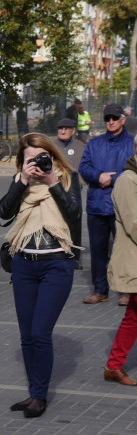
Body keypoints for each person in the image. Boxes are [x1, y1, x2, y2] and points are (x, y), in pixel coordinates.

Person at [0, 134, 81, 418]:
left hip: (56, 265)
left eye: (40, 158)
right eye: (30, 159)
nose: (36, 164)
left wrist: (52, 182)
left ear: (52, 156)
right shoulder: (21, 183)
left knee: (40, 333)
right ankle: (34, 392)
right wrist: (21, 181)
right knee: (26, 336)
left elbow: (74, 215)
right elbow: (2, 212)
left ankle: (39, 396)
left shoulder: (66, 179)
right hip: (24, 265)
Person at [79, 103, 136, 305]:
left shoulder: (132, 142)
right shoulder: (94, 143)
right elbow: (83, 167)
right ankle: (100, 290)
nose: (110, 122)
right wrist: (98, 175)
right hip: (97, 204)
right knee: (98, 250)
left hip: (123, 205)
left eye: (114, 118)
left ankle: (126, 291)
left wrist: (112, 179)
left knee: (124, 250)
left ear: (123, 119)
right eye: (107, 118)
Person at [104, 145, 137, 385]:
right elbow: (133, 223)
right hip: (133, 258)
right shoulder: (128, 180)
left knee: (134, 314)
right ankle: (113, 365)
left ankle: (113, 365)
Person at [53, 118, 86, 269]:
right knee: (55, 222)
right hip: (54, 190)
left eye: (66, 128)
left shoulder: (81, 147)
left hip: (73, 191)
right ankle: (55, 253)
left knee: (74, 223)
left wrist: (79, 184)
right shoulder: (51, 145)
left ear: (73, 131)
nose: (63, 131)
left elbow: (85, 168)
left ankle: (74, 257)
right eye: (60, 128)